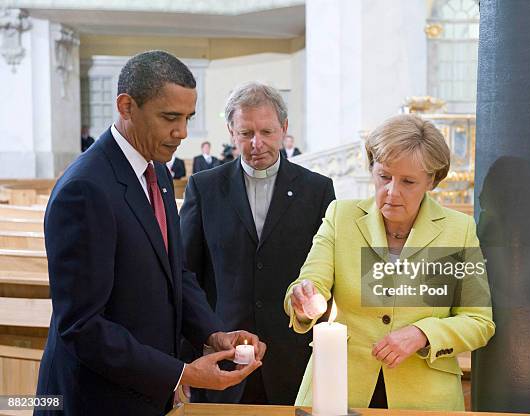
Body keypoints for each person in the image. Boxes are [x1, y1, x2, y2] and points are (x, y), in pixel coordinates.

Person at [36, 51, 265, 416]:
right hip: (95, 399)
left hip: (144, 391)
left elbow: (176, 274)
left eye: (188, 118)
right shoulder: (85, 188)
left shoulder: (156, 172)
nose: (183, 132)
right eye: (170, 117)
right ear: (126, 107)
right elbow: (81, 326)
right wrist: (181, 373)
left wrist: (213, 334)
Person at [285, 114, 495, 411]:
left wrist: (423, 334)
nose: (392, 192)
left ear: (432, 180)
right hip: (337, 391)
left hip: (425, 400)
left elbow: (478, 322)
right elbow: (311, 282)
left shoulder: (457, 229)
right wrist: (305, 300)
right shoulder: (340, 216)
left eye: (408, 182)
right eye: (384, 176)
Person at [180, 82, 335, 405]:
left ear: (284, 128)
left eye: (267, 131)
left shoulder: (317, 190)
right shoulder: (204, 187)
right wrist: (197, 347)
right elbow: (186, 273)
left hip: (292, 353)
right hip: (224, 352)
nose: (257, 143)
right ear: (230, 131)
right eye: (245, 133)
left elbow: (328, 270)